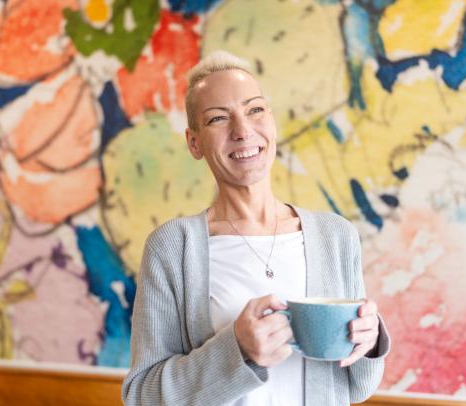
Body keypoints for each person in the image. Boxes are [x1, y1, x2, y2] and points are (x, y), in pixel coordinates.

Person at [122, 50, 390, 405]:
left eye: (255, 110)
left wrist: (369, 341)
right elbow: (143, 396)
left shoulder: (336, 236)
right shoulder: (172, 247)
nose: (243, 130)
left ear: (271, 121)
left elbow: (356, 386)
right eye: (218, 119)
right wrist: (237, 349)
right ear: (194, 142)